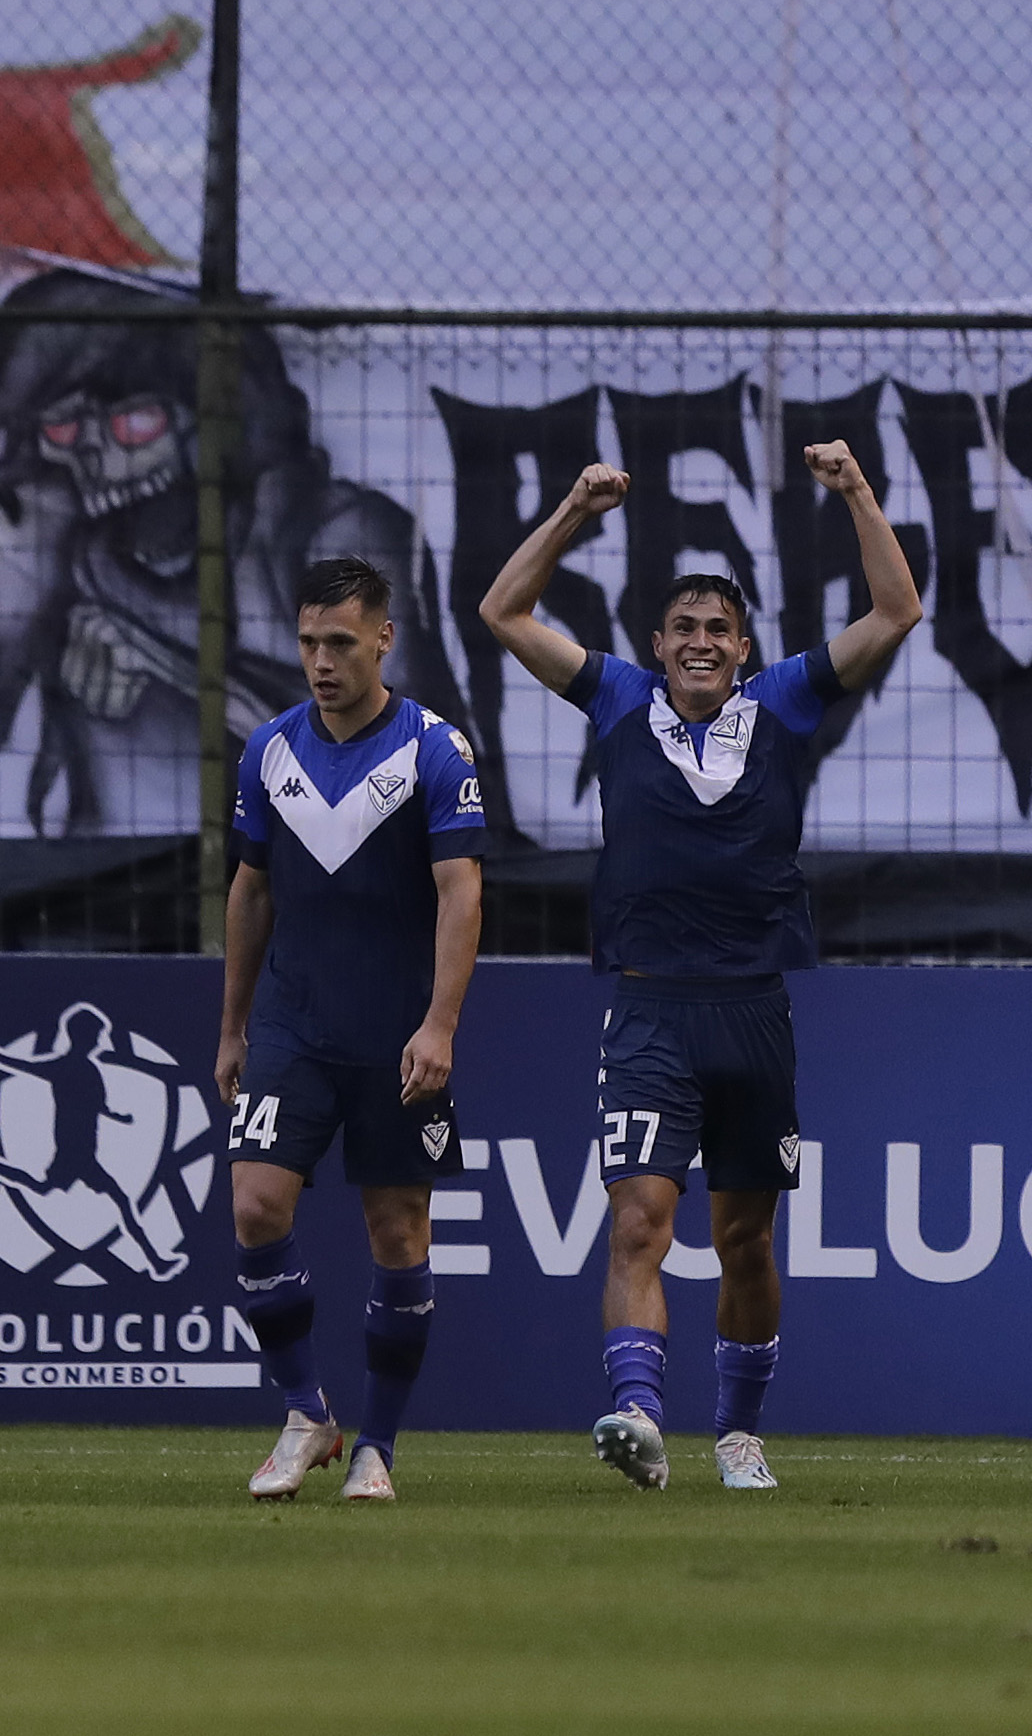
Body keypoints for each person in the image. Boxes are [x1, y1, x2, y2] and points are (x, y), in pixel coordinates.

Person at [477, 444, 920, 1492]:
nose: (699, 642)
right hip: (645, 1014)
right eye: (682, 627)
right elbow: (502, 609)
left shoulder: (781, 702)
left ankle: (736, 1431)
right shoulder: (616, 697)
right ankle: (635, 1412)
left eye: (717, 628)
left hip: (752, 1013)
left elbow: (895, 610)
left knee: (744, 1242)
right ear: (654, 643)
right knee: (636, 1219)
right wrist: (573, 508)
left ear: (743, 645)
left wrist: (855, 490)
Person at [217, 556, 485, 1503]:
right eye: (307, 642)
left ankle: (377, 1445)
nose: (321, 661)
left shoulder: (433, 752)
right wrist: (233, 1026)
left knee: (396, 1227)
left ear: (383, 638)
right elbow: (248, 890)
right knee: (254, 1206)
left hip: (395, 1034)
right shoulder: (267, 750)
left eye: (340, 641)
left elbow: (462, 893)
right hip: (292, 1024)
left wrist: (439, 1024)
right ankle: (305, 1414)